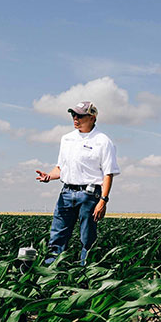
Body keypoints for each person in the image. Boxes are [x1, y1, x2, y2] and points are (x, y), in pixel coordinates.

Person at [35, 101, 120, 265]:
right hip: (66, 193)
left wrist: (103, 200)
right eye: (73, 115)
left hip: (90, 195)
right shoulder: (67, 139)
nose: (75, 118)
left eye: (80, 116)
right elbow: (60, 168)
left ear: (92, 117)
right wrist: (49, 176)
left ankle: (85, 272)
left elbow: (108, 173)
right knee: (57, 237)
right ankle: (51, 271)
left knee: (87, 239)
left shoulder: (103, 141)